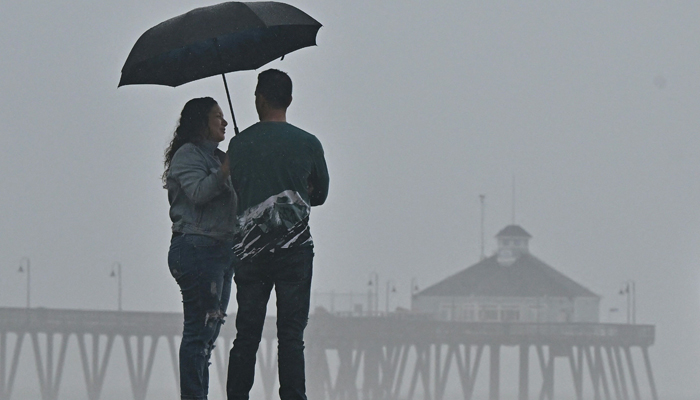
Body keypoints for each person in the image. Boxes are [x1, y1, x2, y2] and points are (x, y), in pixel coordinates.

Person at [226, 69, 329, 400]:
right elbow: (321, 194)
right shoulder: (308, 143)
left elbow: (233, 190)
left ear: (259, 98)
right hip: (295, 251)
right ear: (289, 100)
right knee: (291, 335)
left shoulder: (239, 144)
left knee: (247, 334)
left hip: (250, 253)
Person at [165, 97, 238, 400]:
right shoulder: (187, 155)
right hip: (196, 248)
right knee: (198, 332)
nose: (223, 122)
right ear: (202, 123)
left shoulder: (219, 157)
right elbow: (197, 193)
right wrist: (225, 170)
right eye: (217, 117)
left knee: (209, 334)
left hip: (221, 252)